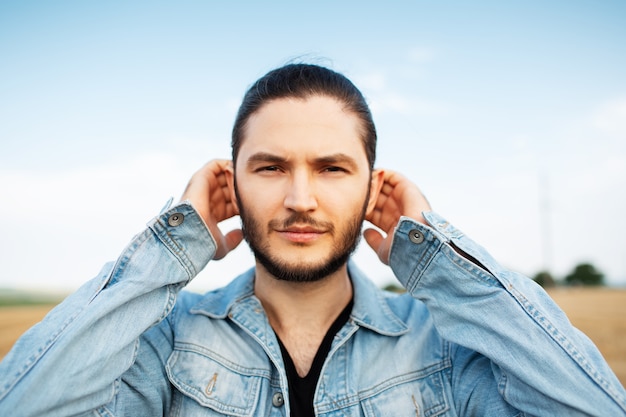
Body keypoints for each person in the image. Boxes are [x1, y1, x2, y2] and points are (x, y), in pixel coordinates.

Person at [0, 63, 624, 417]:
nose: (301, 198)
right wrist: (170, 251)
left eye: (332, 168)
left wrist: (437, 260)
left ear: (372, 189)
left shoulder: (445, 346)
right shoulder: (166, 338)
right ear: (231, 184)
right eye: (270, 168)